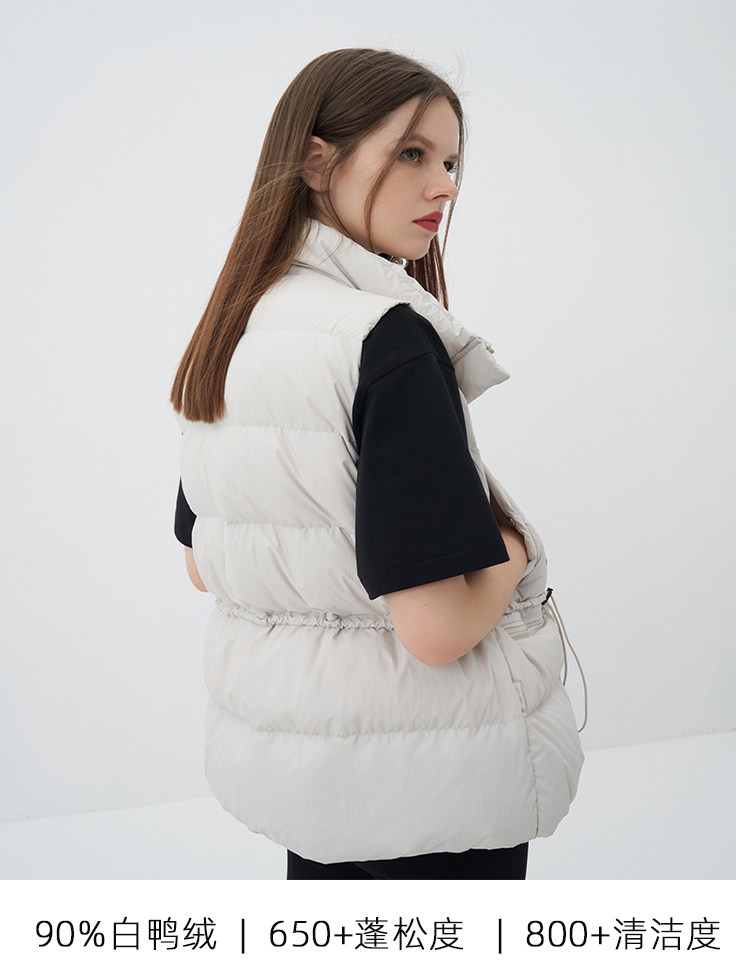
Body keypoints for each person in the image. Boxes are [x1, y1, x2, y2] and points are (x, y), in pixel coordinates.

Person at [172, 48, 584, 880]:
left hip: (309, 784)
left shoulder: (242, 324)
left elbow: (203, 564)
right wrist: (511, 552)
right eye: (412, 154)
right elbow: (437, 632)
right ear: (317, 162)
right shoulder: (387, 341)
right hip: (435, 790)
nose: (445, 187)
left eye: (451, 162)